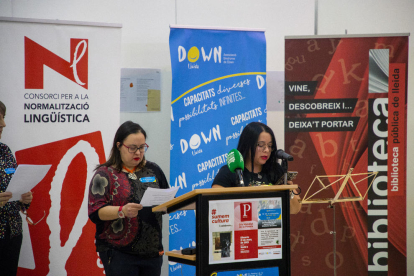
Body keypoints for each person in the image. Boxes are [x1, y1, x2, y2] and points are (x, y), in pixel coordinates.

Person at [88, 121, 168, 276]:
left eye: (142, 147)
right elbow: (95, 212)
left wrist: (179, 204)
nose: (138, 152)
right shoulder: (105, 174)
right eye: (132, 148)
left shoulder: (154, 170)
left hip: (152, 252)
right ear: (119, 146)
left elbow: (168, 200)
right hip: (119, 253)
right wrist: (121, 211)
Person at [212, 121, 301, 214]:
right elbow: (213, 204)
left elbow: (295, 210)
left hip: (270, 225)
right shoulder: (230, 170)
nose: (266, 150)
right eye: (261, 145)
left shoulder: (276, 170)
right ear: (248, 145)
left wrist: (289, 191)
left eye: (270, 146)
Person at [0, 101, 33, 276]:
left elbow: (14, 185)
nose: (3, 124)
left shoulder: (5, 151)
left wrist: (23, 199)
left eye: (3, 118)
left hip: (12, 233)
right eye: (0, 118)